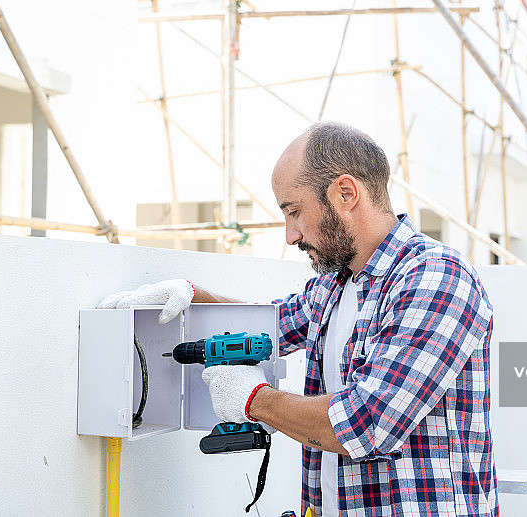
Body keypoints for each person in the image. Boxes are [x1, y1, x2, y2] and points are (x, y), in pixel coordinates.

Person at [100, 122, 498, 516]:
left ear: (345, 193)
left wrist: (255, 400)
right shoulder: (334, 286)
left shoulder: (435, 277)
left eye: (294, 211)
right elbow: (265, 326)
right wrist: (190, 295)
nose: (290, 235)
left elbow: (369, 423)